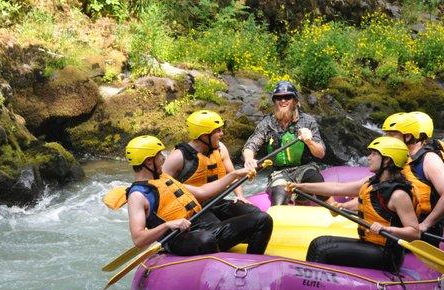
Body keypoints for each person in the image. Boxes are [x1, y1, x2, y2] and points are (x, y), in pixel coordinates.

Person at [124, 135, 273, 256]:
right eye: (159, 156)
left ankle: (252, 265)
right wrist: (168, 225)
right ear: (149, 162)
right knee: (206, 240)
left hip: (208, 227)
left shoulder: (164, 179)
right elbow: (138, 239)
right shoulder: (138, 195)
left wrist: (234, 175)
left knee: (262, 219)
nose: (163, 158)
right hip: (181, 239)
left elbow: (202, 192)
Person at [290, 136, 420, 271]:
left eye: (374, 154)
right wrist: (301, 186)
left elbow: (414, 233)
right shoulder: (373, 182)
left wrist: (386, 229)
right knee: (319, 242)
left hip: (387, 253)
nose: (369, 157)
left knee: (322, 249)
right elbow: (337, 188)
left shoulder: (399, 194)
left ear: (387, 160)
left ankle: (314, 287)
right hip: (370, 243)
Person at [162, 109, 261, 221]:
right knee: (216, 226)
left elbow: (232, 176)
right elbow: (161, 187)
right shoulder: (178, 157)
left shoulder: (220, 148)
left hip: (216, 202)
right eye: (217, 130)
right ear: (204, 135)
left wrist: (240, 196)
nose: (222, 133)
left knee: (253, 213)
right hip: (190, 209)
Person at [242, 80, 326, 205]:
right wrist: (249, 159)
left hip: (304, 167)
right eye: (278, 98)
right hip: (279, 172)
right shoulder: (267, 123)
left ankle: (330, 209)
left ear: (296, 101)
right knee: (279, 194)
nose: (283, 100)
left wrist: (309, 142)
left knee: (316, 179)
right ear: (274, 102)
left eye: (287, 97)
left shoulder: (308, 121)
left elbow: (321, 153)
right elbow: (251, 145)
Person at [381, 112, 444, 246]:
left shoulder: (429, 159)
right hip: (402, 221)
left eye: (391, 135)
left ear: (408, 136)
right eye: (386, 135)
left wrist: (426, 224)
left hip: (423, 229)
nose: (387, 139)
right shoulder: (399, 157)